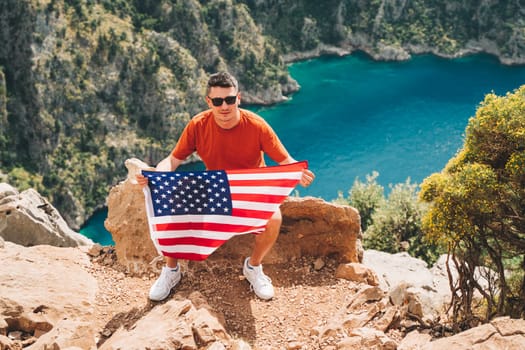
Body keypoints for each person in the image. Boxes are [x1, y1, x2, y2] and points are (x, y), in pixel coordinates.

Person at [136, 71, 315, 301]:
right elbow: (172, 160)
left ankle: (253, 267)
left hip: (250, 192)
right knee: (173, 207)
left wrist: (298, 173)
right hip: (216, 189)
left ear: (238, 98)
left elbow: (286, 161)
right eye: (218, 101)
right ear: (209, 102)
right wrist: (157, 176)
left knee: (274, 219)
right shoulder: (198, 125)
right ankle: (171, 269)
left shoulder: (257, 126)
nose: (224, 106)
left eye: (230, 100)